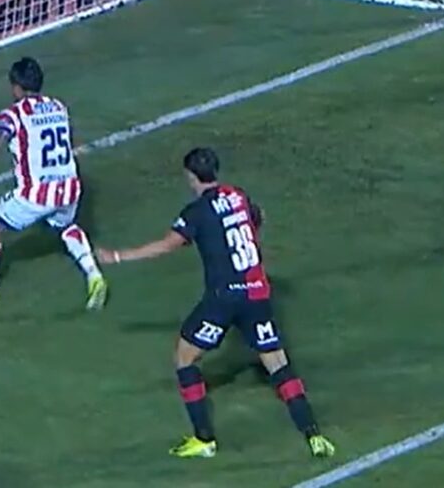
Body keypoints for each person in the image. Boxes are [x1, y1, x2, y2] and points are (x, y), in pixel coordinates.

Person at [96, 148, 335, 459]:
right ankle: (313, 435)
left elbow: (169, 244)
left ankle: (204, 439)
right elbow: (258, 217)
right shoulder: (238, 195)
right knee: (277, 363)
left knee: (184, 357)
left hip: (224, 299)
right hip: (257, 293)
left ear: (190, 176)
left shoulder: (196, 212)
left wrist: (118, 256)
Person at [0, 57, 107, 310]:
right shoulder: (58, 106)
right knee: (66, 226)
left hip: (36, 194)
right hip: (70, 187)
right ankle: (94, 274)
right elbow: (70, 140)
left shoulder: (14, 114)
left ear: (16, 87)